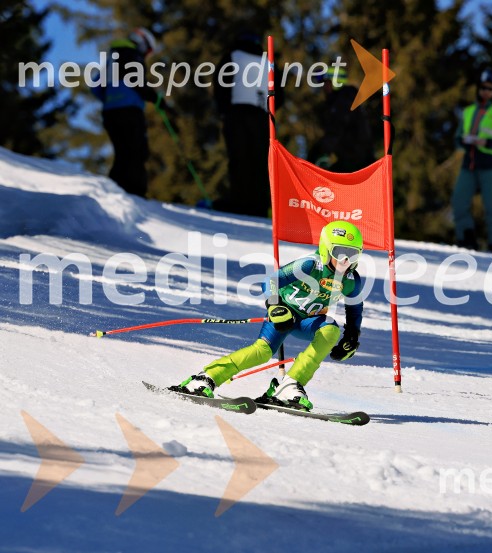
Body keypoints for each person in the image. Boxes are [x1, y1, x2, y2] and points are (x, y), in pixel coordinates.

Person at [173, 220, 365, 411]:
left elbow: (354, 308)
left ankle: (290, 386)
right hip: (283, 315)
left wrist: (352, 336)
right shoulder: (309, 265)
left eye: (352, 254)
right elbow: (271, 281)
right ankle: (205, 378)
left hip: (307, 322)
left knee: (331, 329)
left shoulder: (352, 280)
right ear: (326, 249)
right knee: (262, 352)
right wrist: (275, 306)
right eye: (340, 253)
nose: (345, 261)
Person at [213, 31, 284, 216]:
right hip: (261, 116)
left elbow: (220, 84)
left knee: (238, 159)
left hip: (236, 113)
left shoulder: (232, 56)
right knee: (259, 162)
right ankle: (259, 206)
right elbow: (280, 94)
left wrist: (223, 110)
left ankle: (239, 202)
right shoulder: (268, 62)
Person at [451, 69, 492, 253]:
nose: (486, 92)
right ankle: (466, 238)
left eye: (490, 88)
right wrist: (464, 140)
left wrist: (487, 142)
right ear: (478, 89)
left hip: (490, 164)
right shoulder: (469, 111)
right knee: (459, 202)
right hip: (469, 162)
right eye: (483, 88)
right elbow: (457, 138)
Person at [91, 27, 160, 197]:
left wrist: (110, 99)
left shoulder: (112, 57)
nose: (147, 55)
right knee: (137, 151)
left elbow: (95, 86)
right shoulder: (132, 54)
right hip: (130, 110)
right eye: (148, 50)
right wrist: (154, 97)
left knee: (122, 153)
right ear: (143, 42)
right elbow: (136, 80)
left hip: (110, 112)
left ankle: (115, 191)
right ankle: (135, 194)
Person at [307, 67, 374, 172]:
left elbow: (336, 129)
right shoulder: (339, 102)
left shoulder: (344, 100)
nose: (324, 87)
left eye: (326, 82)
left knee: (325, 180)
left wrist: (320, 152)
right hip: (352, 158)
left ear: (335, 82)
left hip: (356, 159)